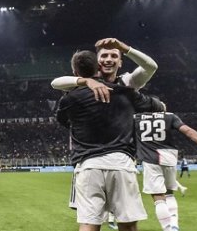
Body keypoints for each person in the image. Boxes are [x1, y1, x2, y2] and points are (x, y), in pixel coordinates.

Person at [52, 38, 158, 229]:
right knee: (123, 223)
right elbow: (55, 82)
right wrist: (87, 81)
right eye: (104, 56)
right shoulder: (121, 90)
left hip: (97, 161)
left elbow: (150, 66)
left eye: (114, 55)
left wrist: (126, 48)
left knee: (89, 223)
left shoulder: (127, 83)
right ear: (97, 63)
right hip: (101, 161)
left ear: (120, 61)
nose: (109, 59)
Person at [134, 111, 197, 231]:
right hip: (169, 156)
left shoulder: (136, 118)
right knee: (169, 194)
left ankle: (168, 228)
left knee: (158, 196)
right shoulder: (169, 116)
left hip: (150, 157)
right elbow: (188, 131)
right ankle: (174, 225)